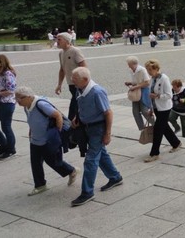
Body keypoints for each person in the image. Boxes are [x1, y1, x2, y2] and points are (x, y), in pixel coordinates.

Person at [70, 67, 122, 207]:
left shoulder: (97, 92)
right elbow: (80, 106)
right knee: (101, 154)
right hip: (87, 127)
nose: (72, 81)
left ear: (85, 80)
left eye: (75, 79)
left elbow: (108, 113)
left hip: (98, 128)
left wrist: (107, 133)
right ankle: (115, 177)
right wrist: (77, 117)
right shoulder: (79, 89)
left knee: (91, 160)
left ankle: (87, 192)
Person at [16, 86, 78, 196]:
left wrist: (57, 133)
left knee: (53, 161)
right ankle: (40, 185)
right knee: (35, 163)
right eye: (16, 98)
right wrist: (31, 131)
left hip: (47, 140)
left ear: (29, 97)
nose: (17, 101)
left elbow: (57, 115)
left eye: (19, 98)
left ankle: (71, 171)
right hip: (35, 139)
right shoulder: (26, 106)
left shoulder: (41, 104)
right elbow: (32, 120)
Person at [54, 32, 87, 155]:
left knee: (73, 111)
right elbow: (62, 69)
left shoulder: (75, 51)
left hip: (79, 84)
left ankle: (72, 138)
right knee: (75, 110)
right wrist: (59, 84)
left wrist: (84, 83)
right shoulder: (61, 53)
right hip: (71, 85)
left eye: (59, 39)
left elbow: (84, 67)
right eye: (57, 39)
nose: (57, 41)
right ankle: (74, 137)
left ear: (67, 41)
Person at [145, 60, 181, 163]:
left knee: (158, 130)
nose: (149, 72)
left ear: (156, 69)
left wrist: (157, 96)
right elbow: (151, 94)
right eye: (147, 69)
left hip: (164, 108)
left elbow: (169, 95)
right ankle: (176, 143)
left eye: (150, 69)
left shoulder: (164, 79)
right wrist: (151, 108)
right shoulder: (152, 79)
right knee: (164, 127)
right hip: (157, 107)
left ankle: (154, 153)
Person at [0, 54, 17, 159]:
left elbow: (11, 90)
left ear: (0, 63)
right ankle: (3, 146)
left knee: (6, 127)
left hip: (7, 103)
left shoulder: (8, 74)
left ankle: (11, 149)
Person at [124, 56, 154, 131]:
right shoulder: (131, 70)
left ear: (134, 64)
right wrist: (130, 83)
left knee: (144, 111)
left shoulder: (142, 70)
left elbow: (147, 82)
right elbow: (136, 81)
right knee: (135, 112)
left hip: (143, 91)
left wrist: (135, 87)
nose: (128, 66)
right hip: (136, 93)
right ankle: (142, 129)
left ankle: (156, 125)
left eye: (129, 64)